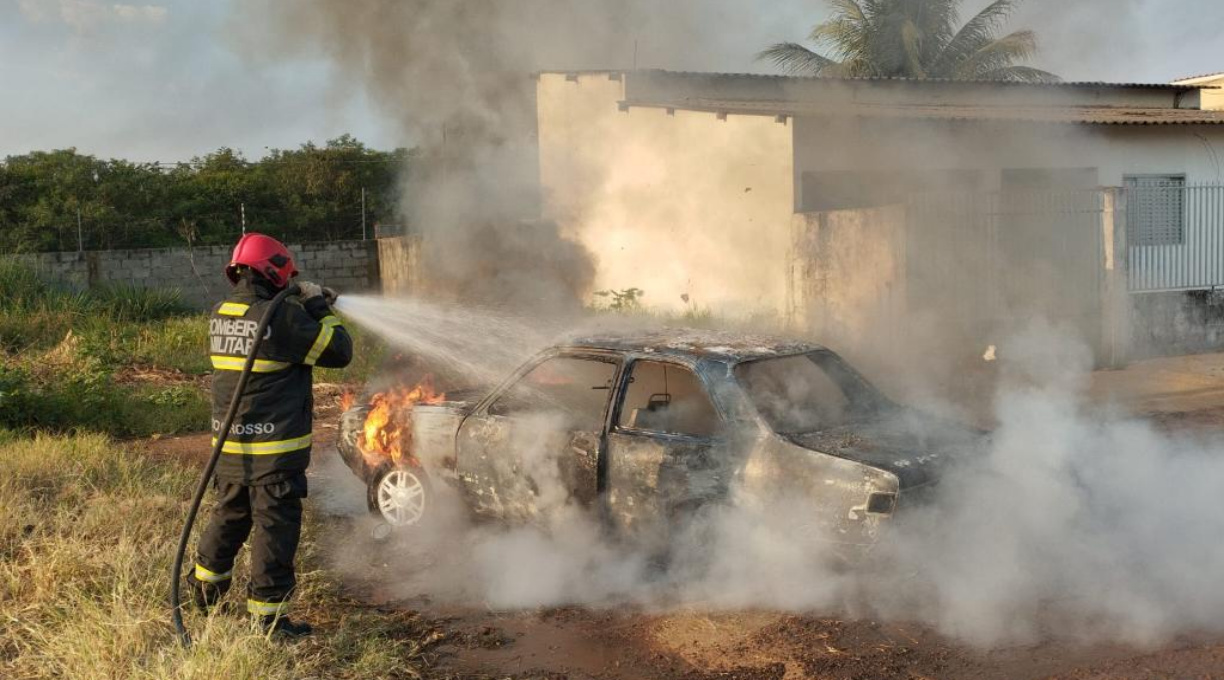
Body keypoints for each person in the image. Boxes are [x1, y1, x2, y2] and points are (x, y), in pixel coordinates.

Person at [191, 233, 353, 637]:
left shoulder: (222, 312)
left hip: (229, 448)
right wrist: (318, 306)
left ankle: (204, 592)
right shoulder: (280, 318)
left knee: (228, 517)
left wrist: (302, 307)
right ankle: (269, 621)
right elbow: (340, 350)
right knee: (274, 531)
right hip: (274, 453)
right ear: (274, 269)